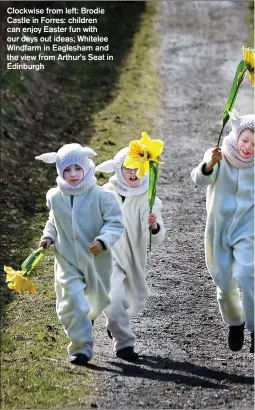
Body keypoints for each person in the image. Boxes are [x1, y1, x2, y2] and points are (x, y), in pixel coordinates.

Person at [35, 143, 124, 365]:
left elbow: (115, 223)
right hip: (66, 260)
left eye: (77, 168)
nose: (73, 175)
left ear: (86, 167)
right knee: (71, 302)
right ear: (59, 171)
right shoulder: (55, 196)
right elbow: (53, 221)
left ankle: (90, 319)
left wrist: (103, 241)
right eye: (66, 170)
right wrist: (48, 237)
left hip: (95, 261)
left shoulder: (101, 196)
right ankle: (81, 347)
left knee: (95, 302)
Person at [191, 109, 254, 353]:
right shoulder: (220, 155)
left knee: (248, 272)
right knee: (224, 285)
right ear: (236, 136)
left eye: (254, 144)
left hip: (248, 227)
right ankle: (235, 322)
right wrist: (209, 164)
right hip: (218, 229)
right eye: (245, 140)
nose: (248, 147)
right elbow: (199, 179)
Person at [96, 147, 166, 361]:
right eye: (128, 168)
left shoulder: (149, 198)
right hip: (108, 255)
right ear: (118, 169)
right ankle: (124, 344)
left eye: (138, 168)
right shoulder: (104, 193)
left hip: (133, 258)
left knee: (131, 301)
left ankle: (116, 322)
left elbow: (156, 237)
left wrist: (153, 226)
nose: (133, 173)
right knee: (114, 297)